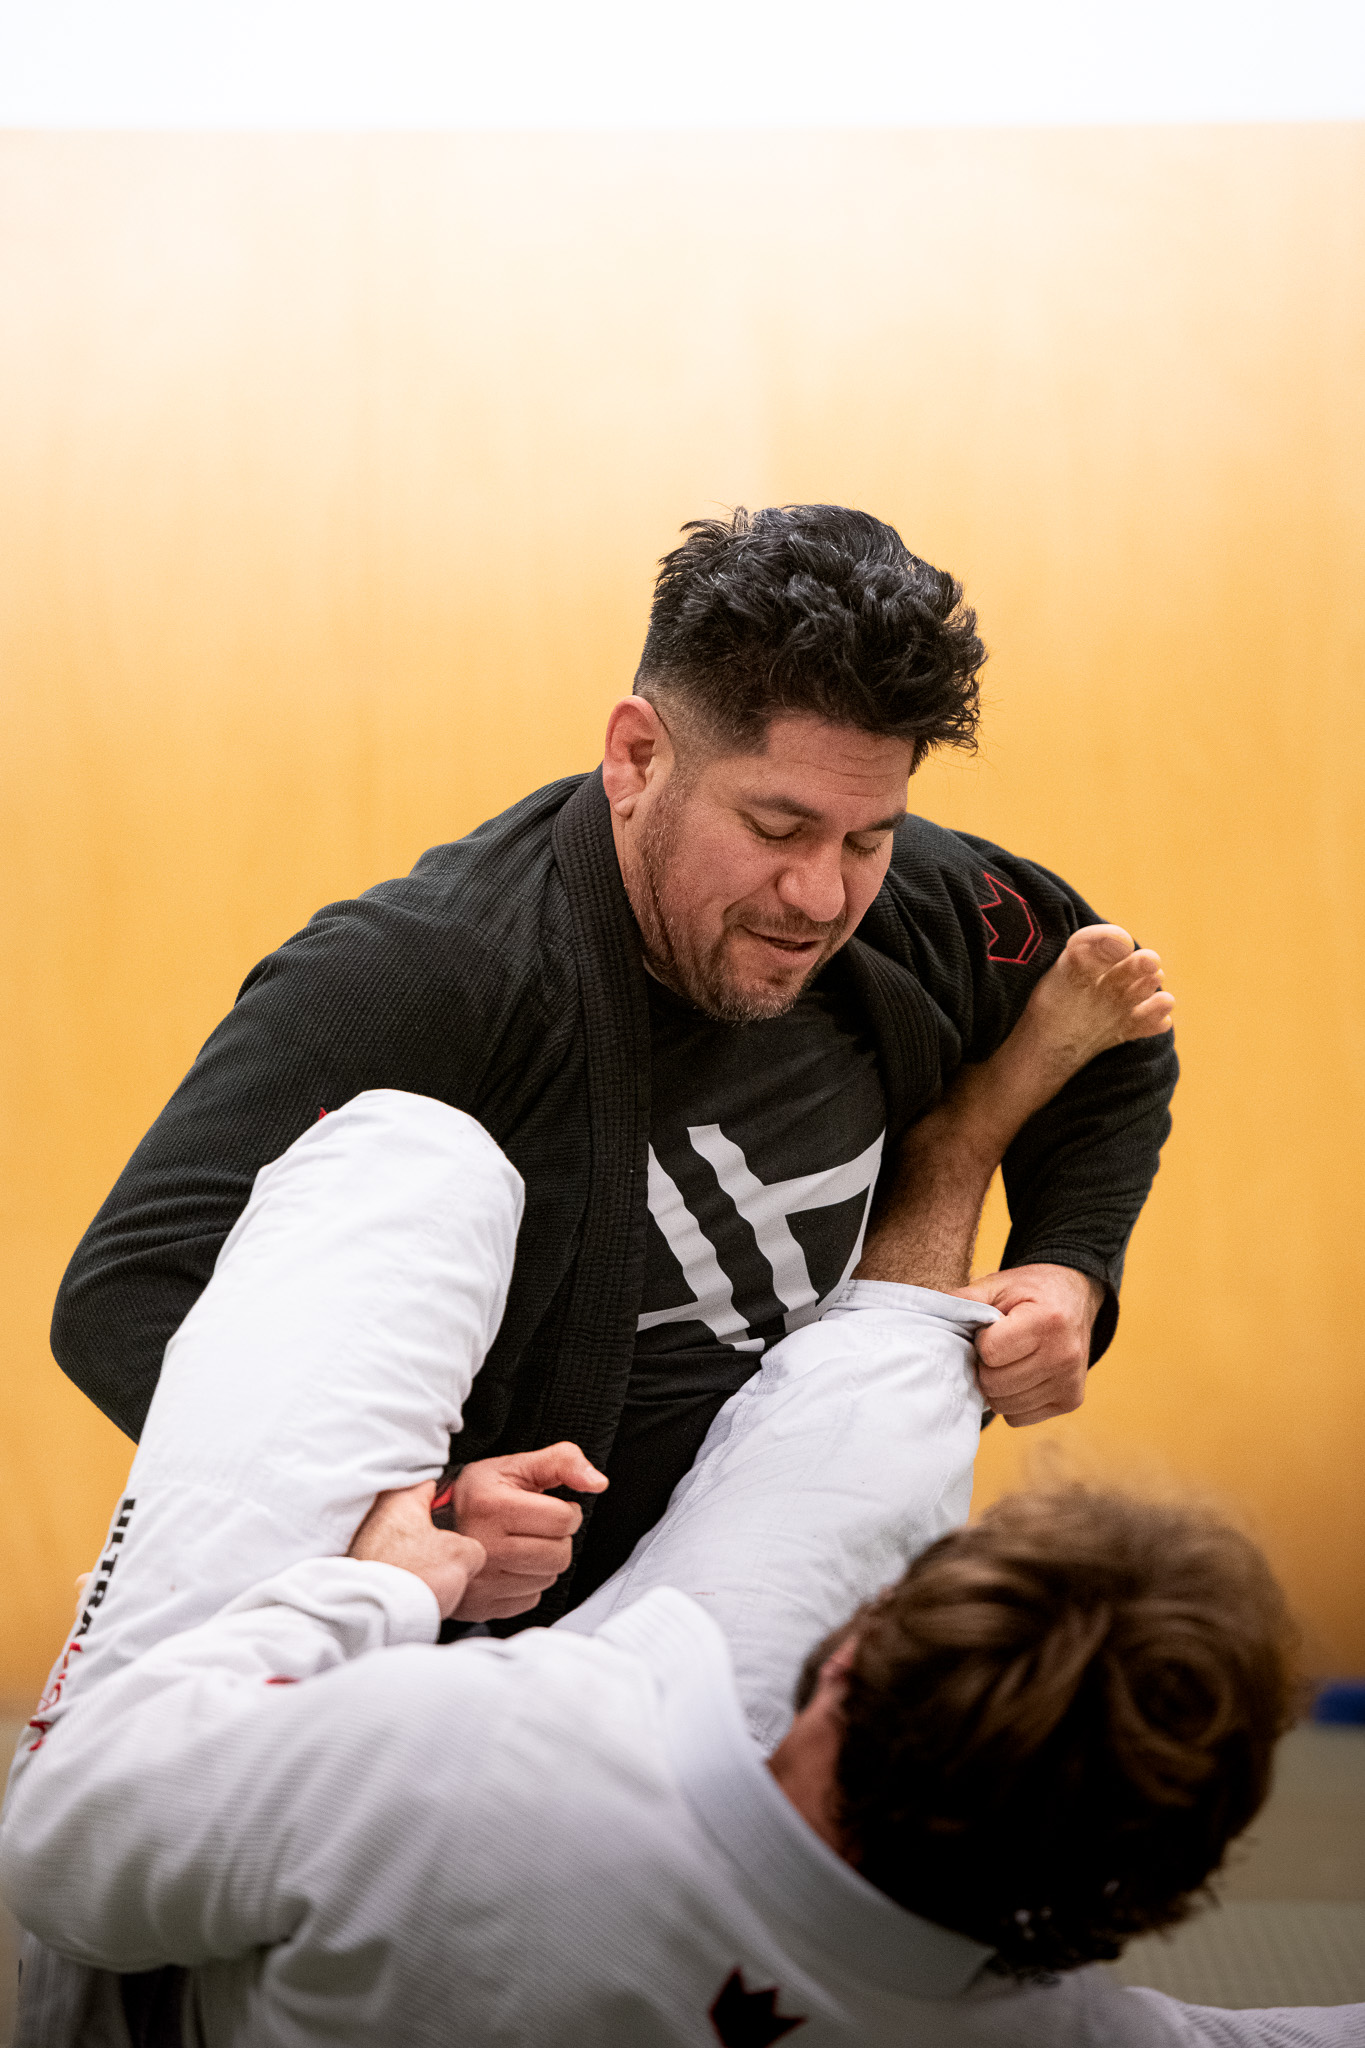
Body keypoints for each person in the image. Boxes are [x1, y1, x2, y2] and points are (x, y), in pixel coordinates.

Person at [4, 936, 1357, 2044]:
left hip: (128, 1974)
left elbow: (63, 1848)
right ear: (1143, 1896)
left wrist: (373, 1585)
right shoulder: (1059, 2033)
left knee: (412, 1159)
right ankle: (952, 1154)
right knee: (872, 1428)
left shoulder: (472, 1761)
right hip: (774, 1881)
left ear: (847, 1666)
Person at [48, 504, 1179, 1625]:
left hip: (802, 1593)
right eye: (776, 829)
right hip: (495, 1664)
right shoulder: (431, 971)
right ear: (637, 755)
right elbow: (128, 1291)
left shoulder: (919, 901)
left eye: (866, 836)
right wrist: (391, 1513)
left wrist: (1069, 1265)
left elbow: (1110, 1025)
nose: (822, 894)